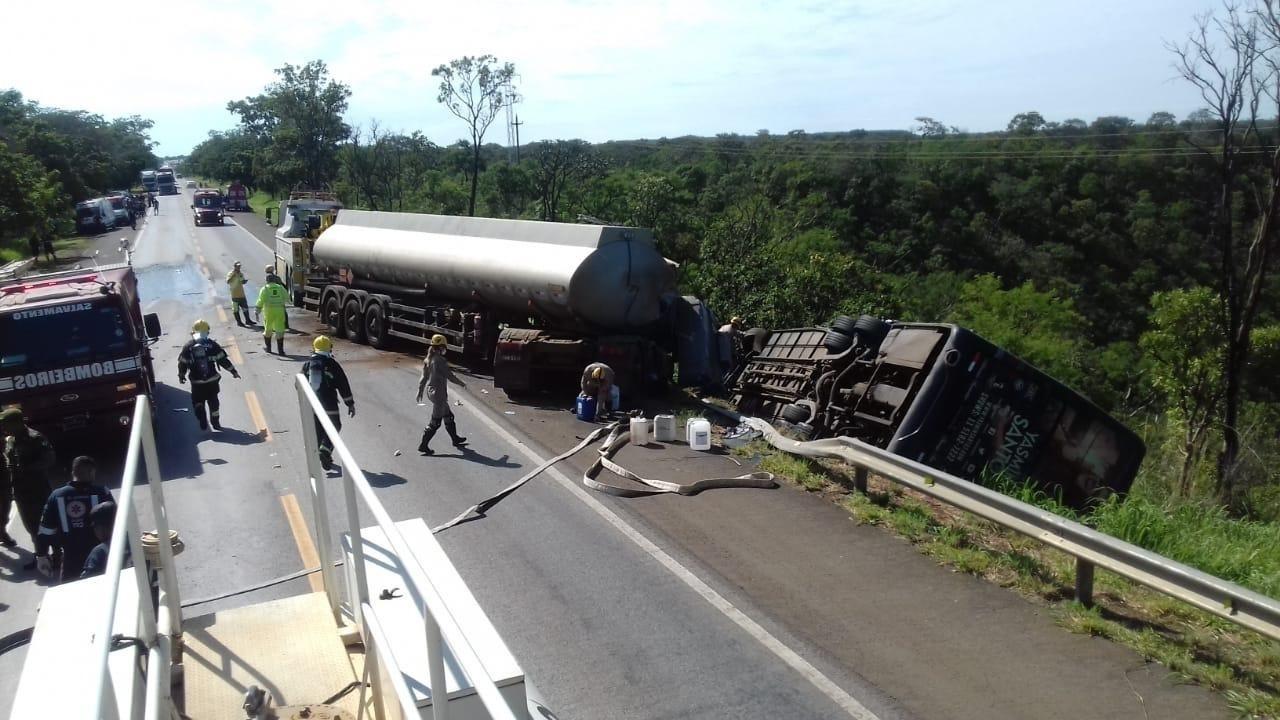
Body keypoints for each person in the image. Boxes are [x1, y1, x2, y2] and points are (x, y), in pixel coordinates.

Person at [34, 456, 114, 582]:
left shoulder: (57, 495)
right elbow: (116, 521)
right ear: (92, 472)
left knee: (71, 592)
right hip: (99, 557)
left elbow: (45, 530)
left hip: (71, 558)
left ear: (73, 473)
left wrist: (41, 555)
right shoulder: (102, 493)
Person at [1, 408, 57, 566]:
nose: (4, 428)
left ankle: (58, 555)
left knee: (48, 524)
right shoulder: (10, 440)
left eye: (6, 424)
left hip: (38, 489)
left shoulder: (35, 438)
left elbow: (49, 459)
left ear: (17, 423)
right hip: (21, 492)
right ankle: (41, 555)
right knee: (31, 527)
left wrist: (27, 468)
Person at [302, 336, 355, 470]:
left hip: (312, 405)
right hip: (329, 404)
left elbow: (299, 384)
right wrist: (350, 403)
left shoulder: (307, 365)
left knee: (319, 429)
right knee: (334, 426)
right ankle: (325, 451)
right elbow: (343, 384)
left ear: (314, 348)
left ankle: (323, 454)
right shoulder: (332, 364)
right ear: (329, 348)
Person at [178, 319, 241, 431]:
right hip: (212, 381)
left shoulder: (188, 346)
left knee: (197, 401)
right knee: (214, 402)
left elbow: (182, 363)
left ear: (193, 332)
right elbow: (223, 360)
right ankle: (215, 423)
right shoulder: (213, 345)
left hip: (197, 383)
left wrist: (181, 375)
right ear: (207, 331)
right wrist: (233, 371)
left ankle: (201, 416)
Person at [416, 334, 467, 455]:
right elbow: (450, 376)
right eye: (444, 347)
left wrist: (420, 390)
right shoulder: (440, 361)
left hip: (431, 391)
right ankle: (423, 445)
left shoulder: (428, 359)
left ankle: (455, 439)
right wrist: (462, 383)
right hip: (439, 394)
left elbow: (424, 377)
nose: (445, 350)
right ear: (440, 348)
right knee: (435, 422)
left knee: (448, 416)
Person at [79, 501, 121, 579]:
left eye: (95, 527)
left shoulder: (100, 551)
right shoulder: (134, 543)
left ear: (102, 528)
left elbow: (86, 581)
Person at [256, 270, 290, 354]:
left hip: (269, 311)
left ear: (267, 280)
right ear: (274, 280)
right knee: (280, 329)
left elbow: (260, 301)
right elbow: (287, 298)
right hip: (279, 311)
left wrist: (257, 311)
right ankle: (281, 350)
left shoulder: (265, 289)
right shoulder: (280, 287)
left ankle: (269, 348)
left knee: (268, 328)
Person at [226, 262, 251, 326]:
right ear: (234, 266)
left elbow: (242, 281)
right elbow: (228, 281)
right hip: (234, 294)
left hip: (241, 294)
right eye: (237, 266)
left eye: (239, 266)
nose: (239, 268)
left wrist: (244, 281)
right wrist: (233, 275)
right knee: (236, 309)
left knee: (245, 308)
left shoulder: (241, 274)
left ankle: (248, 320)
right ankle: (239, 322)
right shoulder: (230, 273)